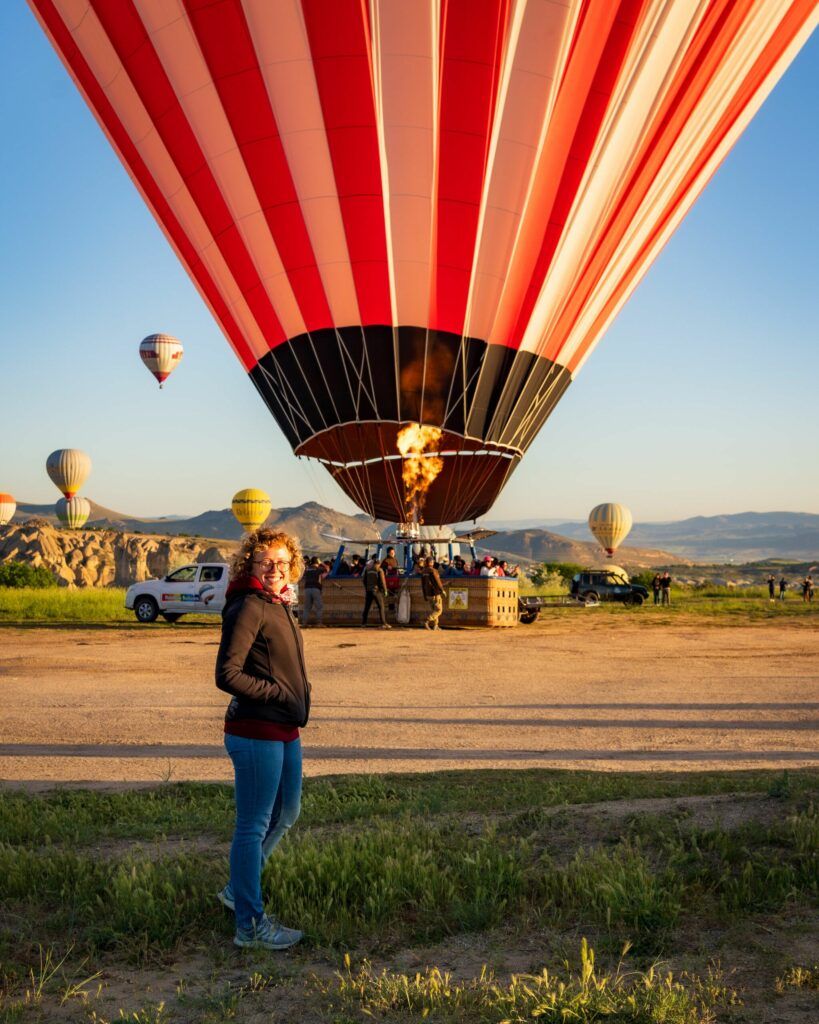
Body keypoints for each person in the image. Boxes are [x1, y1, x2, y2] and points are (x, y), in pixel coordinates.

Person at [214, 527, 309, 951]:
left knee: (287, 812)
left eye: (282, 563)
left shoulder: (279, 603)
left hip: (285, 728)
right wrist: (279, 695)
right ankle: (249, 925)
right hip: (256, 731)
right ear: (249, 564)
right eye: (265, 562)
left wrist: (293, 697)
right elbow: (227, 674)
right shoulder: (249, 605)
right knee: (252, 826)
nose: (274, 570)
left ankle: (239, 888)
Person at [362, 558, 390, 628]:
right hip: (376, 591)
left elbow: (364, 580)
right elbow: (382, 582)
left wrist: (367, 588)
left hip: (369, 591)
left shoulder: (367, 570)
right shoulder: (379, 570)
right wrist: (385, 590)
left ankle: (363, 623)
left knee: (367, 607)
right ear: (379, 564)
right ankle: (383, 623)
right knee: (381, 607)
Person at [300, 556, 327, 627]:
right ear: (317, 562)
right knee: (319, 607)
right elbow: (327, 569)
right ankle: (319, 623)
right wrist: (322, 563)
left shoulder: (307, 569)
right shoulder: (319, 569)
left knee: (306, 607)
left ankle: (304, 623)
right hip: (315, 589)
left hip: (307, 589)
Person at [421, 556, 445, 630]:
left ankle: (435, 625)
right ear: (431, 562)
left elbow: (423, 584)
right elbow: (437, 582)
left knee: (434, 610)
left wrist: (424, 595)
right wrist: (442, 590)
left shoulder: (423, 572)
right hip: (435, 593)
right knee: (438, 610)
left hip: (428, 594)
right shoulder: (433, 571)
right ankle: (427, 621)